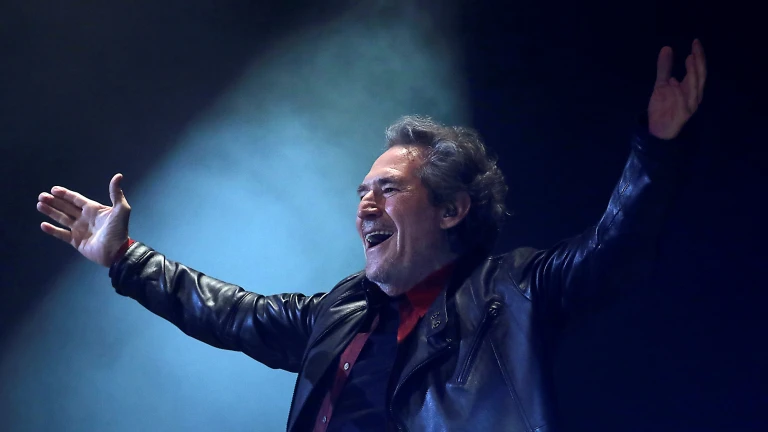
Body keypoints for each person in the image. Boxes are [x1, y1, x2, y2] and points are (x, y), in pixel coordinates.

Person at [37, 40, 706, 431]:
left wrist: (656, 148)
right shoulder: (341, 312)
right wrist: (124, 256)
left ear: (451, 210)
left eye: (388, 189)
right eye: (361, 192)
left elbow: (613, 252)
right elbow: (231, 313)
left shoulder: (512, 293)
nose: (365, 206)